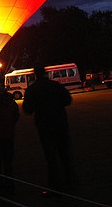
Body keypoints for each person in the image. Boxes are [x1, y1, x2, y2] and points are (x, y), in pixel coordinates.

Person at [22, 65, 75, 196]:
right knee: (64, 154)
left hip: (44, 127)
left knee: (50, 156)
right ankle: (70, 181)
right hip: (60, 124)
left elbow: (27, 109)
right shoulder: (55, 86)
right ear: (45, 72)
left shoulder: (32, 90)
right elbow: (68, 100)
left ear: (34, 74)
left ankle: (55, 185)